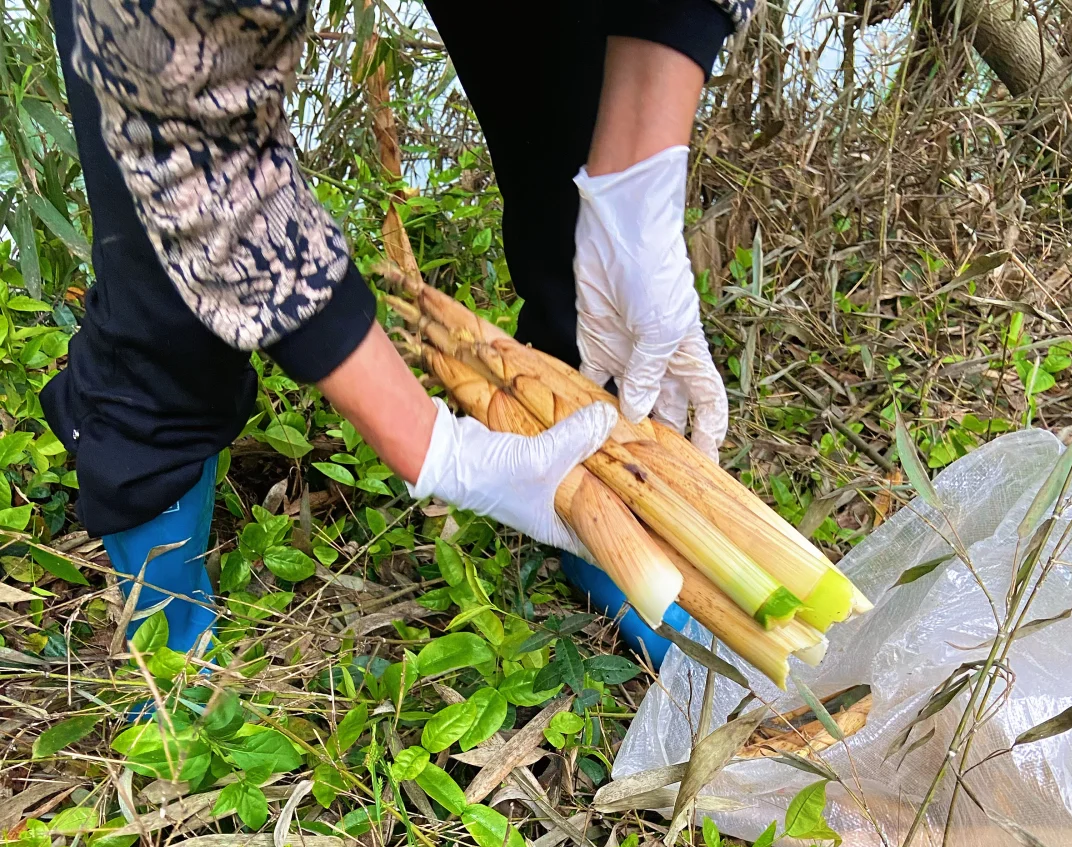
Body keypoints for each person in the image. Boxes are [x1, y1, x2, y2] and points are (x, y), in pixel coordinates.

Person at [42, 0, 746, 654]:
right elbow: (193, 152)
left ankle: (597, 501)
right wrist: (434, 449)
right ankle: (164, 600)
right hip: (169, 38)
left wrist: (633, 190)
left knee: (569, 98)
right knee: (164, 277)